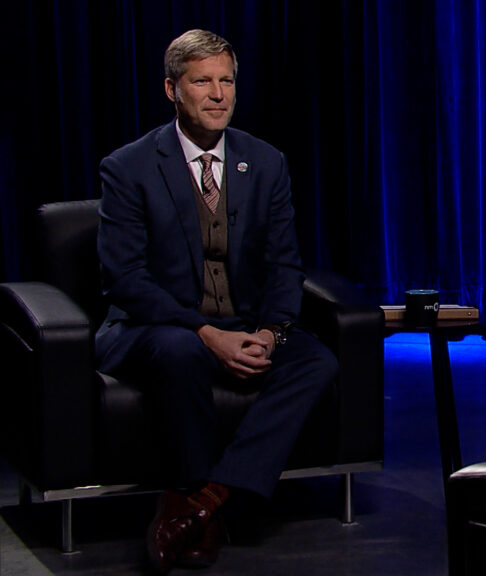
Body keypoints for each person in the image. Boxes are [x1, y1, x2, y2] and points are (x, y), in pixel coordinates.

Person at [96, 29, 338, 572]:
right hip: (151, 328)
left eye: (226, 81)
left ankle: (206, 503)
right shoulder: (128, 167)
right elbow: (126, 280)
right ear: (171, 89)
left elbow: (283, 265)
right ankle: (191, 487)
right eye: (201, 81)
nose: (217, 94)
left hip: (244, 321)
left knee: (315, 360)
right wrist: (206, 334)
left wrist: (272, 334)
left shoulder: (267, 162)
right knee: (180, 352)